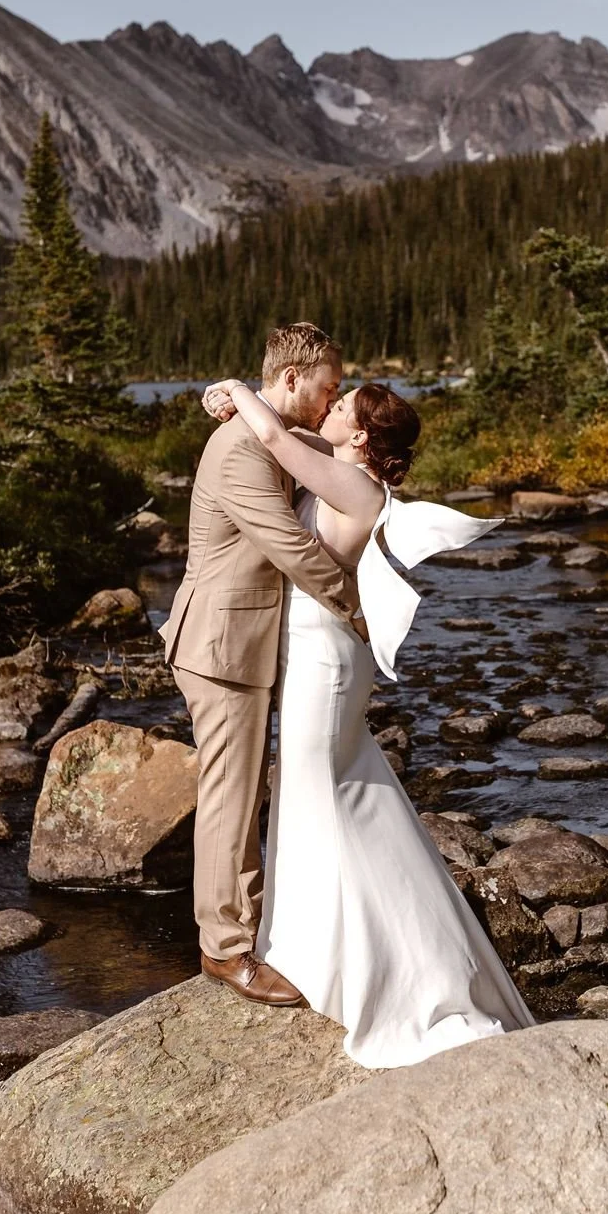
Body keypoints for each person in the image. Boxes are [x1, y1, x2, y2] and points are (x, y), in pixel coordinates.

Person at [201, 373, 536, 1068]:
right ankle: (327, 953)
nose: (330, 405)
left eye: (343, 404)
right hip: (318, 657)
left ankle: (378, 976)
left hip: (324, 664)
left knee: (322, 803)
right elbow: (279, 429)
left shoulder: (350, 485)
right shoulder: (339, 473)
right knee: (330, 801)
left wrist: (238, 386)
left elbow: (272, 432)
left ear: (357, 435)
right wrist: (227, 398)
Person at [159, 323, 360, 1007]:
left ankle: (244, 927)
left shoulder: (273, 432)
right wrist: (354, 606)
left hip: (243, 643)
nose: (333, 395)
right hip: (218, 646)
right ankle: (225, 950)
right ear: (292, 379)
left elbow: (328, 452)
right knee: (231, 796)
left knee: (244, 794)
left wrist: (230, 390)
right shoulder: (239, 448)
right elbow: (287, 546)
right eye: (327, 384)